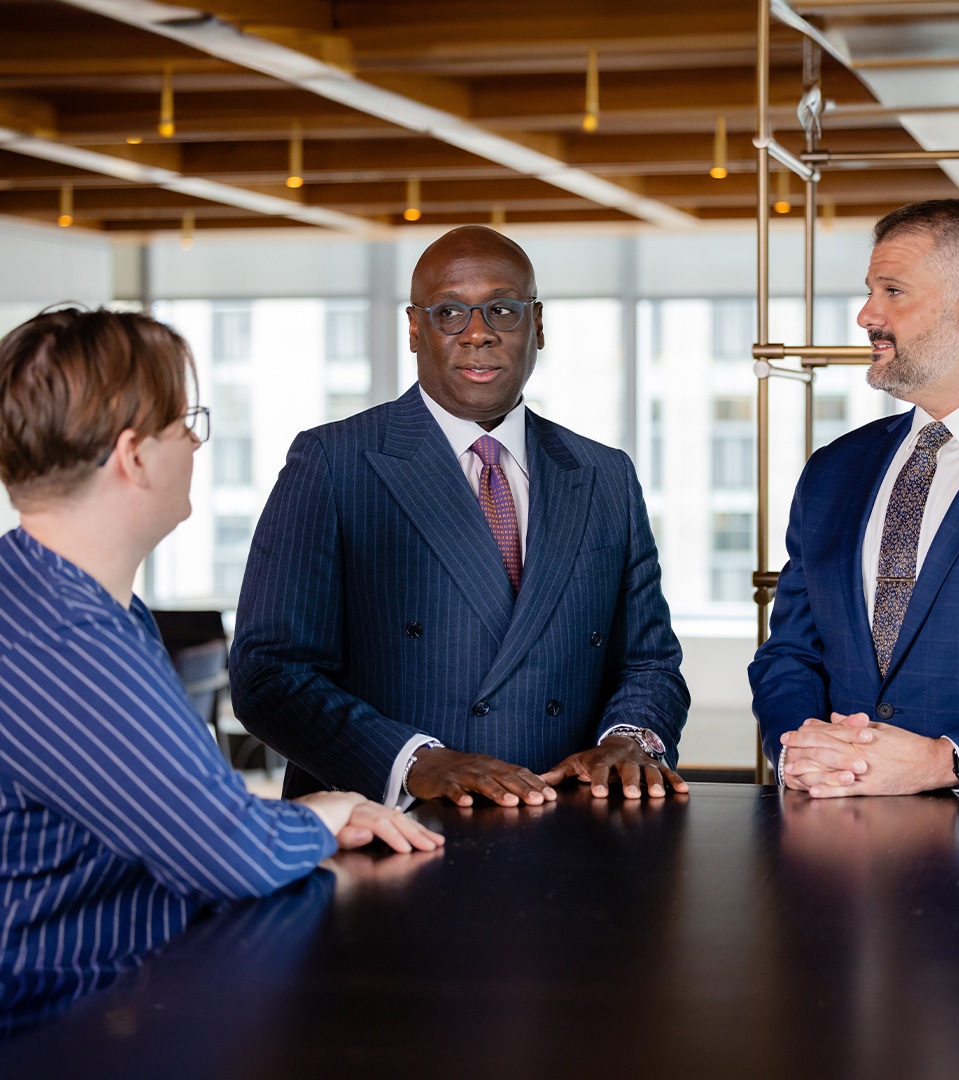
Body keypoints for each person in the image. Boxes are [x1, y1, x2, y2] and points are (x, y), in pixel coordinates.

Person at [0, 308, 443, 985]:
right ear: (134, 457)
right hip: (66, 1012)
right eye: (183, 423)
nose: (195, 444)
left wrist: (285, 820)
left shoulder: (54, 595)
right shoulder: (67, 639)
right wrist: (321, 815)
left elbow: (174, 812)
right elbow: (232, 855)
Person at [230, 225, 690, 808]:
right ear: (415, 329)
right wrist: (414, 761)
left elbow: (650, 661)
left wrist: (629, 739)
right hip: (392, 827)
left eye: (502, 310)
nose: (478, 333)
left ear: (537, 323)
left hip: (568, 822)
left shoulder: (605, 474)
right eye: (450, 312)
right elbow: (269, 674)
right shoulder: (333, 461)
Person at [749, 198, 959, 797]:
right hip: (833, 834)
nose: (866, 315)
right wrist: (799, 747)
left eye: (893, 291)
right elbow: (791, 653)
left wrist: (943, 762)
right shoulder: (834, 469)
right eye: (869, 292)